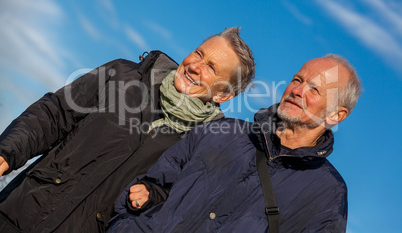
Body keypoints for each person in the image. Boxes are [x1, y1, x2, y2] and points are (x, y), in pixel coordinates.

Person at [0, 27, 255, 232]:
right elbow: (54, 114)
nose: (195, 66)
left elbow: (179, 201)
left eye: (211, 68)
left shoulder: (205, 144)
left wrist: (152, 195)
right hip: (18, 213)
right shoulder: (123, 74)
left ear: (223, 95)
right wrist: (7, 151)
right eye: (199, 53)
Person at [107, 54, 360, 232]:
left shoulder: (328, 193)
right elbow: (153, 185)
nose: (297, 90)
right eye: (297, 79)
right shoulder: (222, 130)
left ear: (336, 115)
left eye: (314, 90)